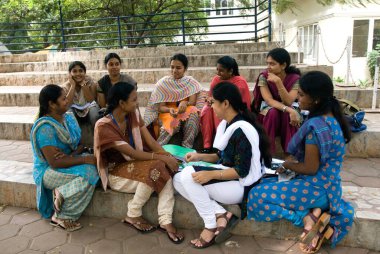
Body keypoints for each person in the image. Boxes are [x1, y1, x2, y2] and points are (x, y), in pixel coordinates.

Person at [247, 71, 354, 253]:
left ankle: (306, 218)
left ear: (317, 100)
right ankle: (316, 211)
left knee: (256, 196)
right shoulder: (333, 120)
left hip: (316, 188)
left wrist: (288, 164)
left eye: (302, 95)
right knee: (265, 181)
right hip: (331, 187)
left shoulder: (315, 128)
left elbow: (310, 168)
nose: (298, 99)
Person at [173, 82, 272, 249]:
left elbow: (242, 171)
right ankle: (220, 214)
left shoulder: (241, 129)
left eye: (213, 103)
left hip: (241, 187)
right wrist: (199, 156)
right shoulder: (229, 124)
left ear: (225, 103)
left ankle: (210, 225)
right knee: (176, 179)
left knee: (187, 176)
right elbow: (221, 156)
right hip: (229, 179)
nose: (211, 107)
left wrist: (210, 175)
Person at [94, 82, 184, 244]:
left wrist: (166, 155)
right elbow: (133, 153)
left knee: (161, 168)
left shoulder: (133, 114)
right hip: (116, 174)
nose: (138, 103)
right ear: (121, 103)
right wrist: (163, 158)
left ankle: (165, 220)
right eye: (134, 100)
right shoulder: (104, 126)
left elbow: (151, 142)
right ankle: (133, 213)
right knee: (157, 167)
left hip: (137, 166)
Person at [30, 84, 99, 232]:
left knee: (96, 166)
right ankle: (62, 215)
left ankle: (62, 192)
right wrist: (83, 159)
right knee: (90, 172)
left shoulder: (68, 118)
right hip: (47, 171)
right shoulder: (45, 128)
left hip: (68, 160)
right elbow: (54, 162)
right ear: (51, 104)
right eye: (63, 99)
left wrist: (72, 156)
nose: (67, 100)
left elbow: (80, 144)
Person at [144, 53, 205, 148]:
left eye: (178, 68)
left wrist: (185, 102)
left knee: (193, 115)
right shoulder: (163, 83)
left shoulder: (191, 82)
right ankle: (158, 148)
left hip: (185, 111)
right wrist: (170, 110)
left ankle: (187, 147)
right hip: (169, 113)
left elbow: (192, 102)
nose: (174, 71)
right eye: (172, 67)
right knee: (173, 121)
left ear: (185, 69)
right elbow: (161, 108)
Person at [252, 48, 301, 154]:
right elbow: (269, 100)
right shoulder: (264, 77)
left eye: (272, 64)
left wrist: (278, 82)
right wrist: (289, 110)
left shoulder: (295, 79)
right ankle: (267, 152)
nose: (268, 67)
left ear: (283, 65)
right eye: (267, 63)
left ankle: (290, 154)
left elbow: (288, 101)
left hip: (288, 108)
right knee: (273, 112)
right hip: (269, 111)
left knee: (288, 114)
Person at [200, 56, 251, 153]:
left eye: (221, 71)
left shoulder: (240, 82)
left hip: (235, 109)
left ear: (231, 71)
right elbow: (210, 96)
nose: (218, 73)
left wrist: (216, 102)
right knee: (207, 110)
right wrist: (210, 100)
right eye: (217, 70)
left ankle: (220, 144)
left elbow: (234, 102)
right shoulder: (216, 79)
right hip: (220, 105)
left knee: (219, 108)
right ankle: (207, 145)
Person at [61, 61, 99, 128]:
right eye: (74, 71)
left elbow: (91, 101)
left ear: (85, 73)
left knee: (94, 113)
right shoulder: (65, 86)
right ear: (70, 74)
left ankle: (97, 133)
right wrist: (73, 86)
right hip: (73, 109)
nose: (78, 74)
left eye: (81, 71)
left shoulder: (91, 83)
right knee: (68, 113)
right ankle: (74, 136)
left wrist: (83, 85)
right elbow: (67, 104)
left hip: (88, 108)